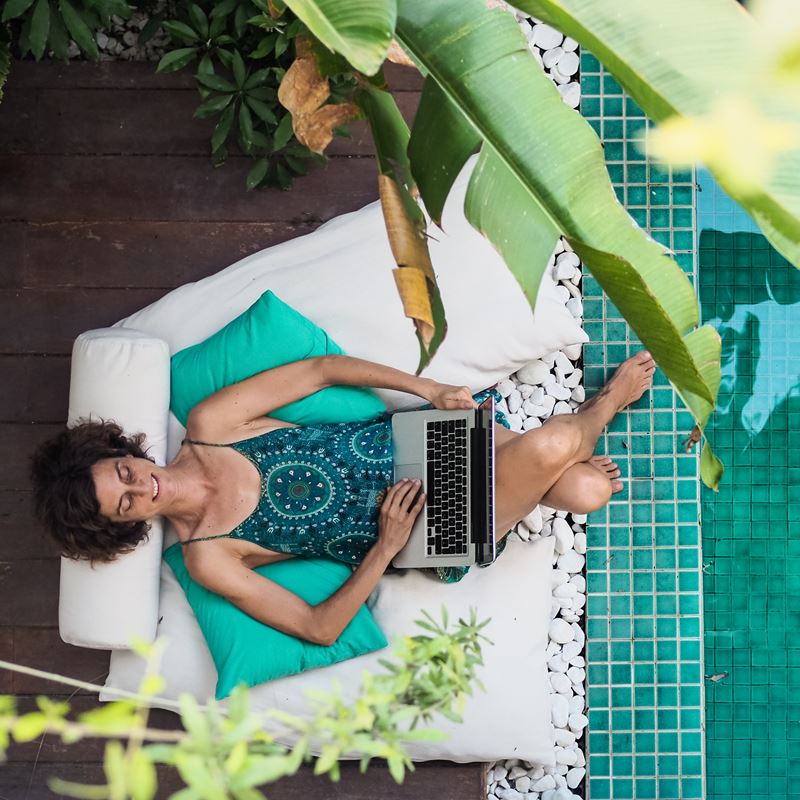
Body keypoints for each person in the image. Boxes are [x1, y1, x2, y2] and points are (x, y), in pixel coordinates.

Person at [30, 350, 655, 647]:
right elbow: (318, 628)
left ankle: (549, 457)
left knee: (584, 488)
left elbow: (323, 371)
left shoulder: (212, 421)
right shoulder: (207, 558)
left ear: (126, 451)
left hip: (426, 442)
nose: (143, 485)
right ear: (126, 526)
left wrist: (431, 389)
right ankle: (602, 407)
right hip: (425, 529)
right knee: (573, 474)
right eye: (126, 502)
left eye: (125, 471)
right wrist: (383, 549)